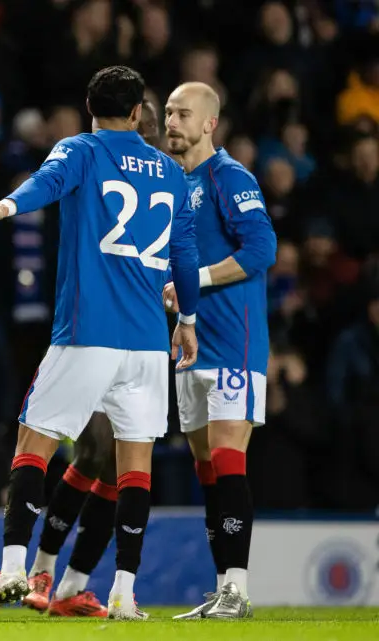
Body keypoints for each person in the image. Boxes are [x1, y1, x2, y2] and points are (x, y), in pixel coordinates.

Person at [0, 66, 200, 621]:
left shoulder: (80, 151)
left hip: (88, 333)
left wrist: (1, 207)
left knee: (34, 443)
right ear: (140, 112)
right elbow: (184, 258)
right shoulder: (170, 170)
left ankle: (16, 567)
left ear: (89, 107)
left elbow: (41, 188)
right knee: (133, 465)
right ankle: (123, 589)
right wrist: (186, 320)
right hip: (147, 343)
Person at [23, 98, 164, 618]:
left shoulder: (156, 178)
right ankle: (43, 570)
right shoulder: (99, 165)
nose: (153, 138)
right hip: (92, 333)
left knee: (108, 464)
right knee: (96, 453)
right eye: (151, 127)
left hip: (130, 338)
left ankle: (69, 584)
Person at [163, 82, 276, 620]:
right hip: (191, 344)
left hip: (234, 340)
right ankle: (221, 587)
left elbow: (262, 249)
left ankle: (239, 589)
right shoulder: (173, 182)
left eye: (183, 114)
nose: (171, 122)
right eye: (167, 113)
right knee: (206, 466)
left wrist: (196, 279)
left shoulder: (230, 177)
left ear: (210, 123)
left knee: (229, 458)